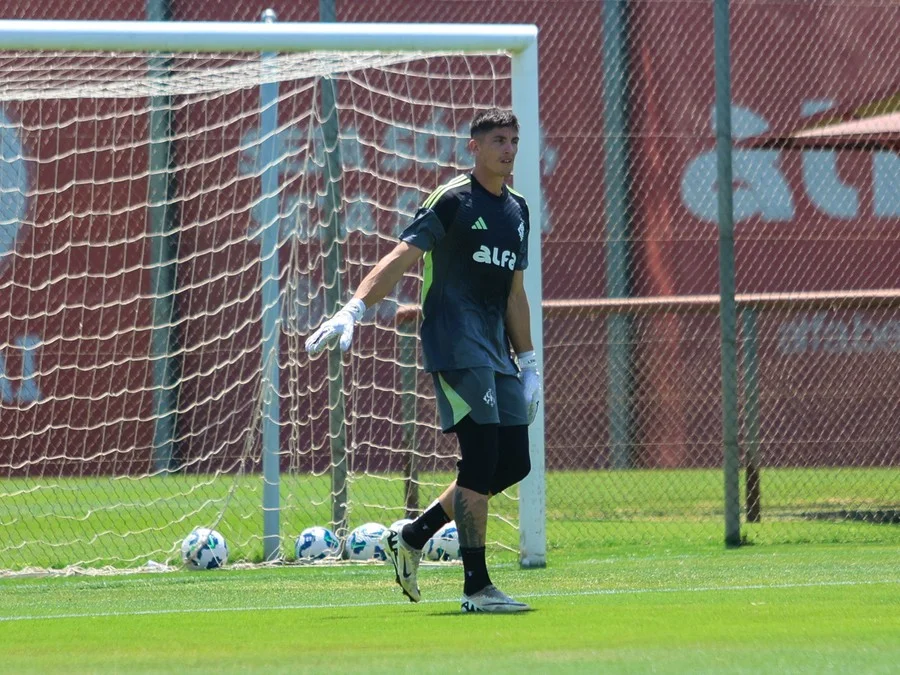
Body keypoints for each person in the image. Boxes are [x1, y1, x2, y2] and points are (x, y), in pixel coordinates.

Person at [304, 108, 541, 614]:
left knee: (513, 462)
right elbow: (400, 257)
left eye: (514, 140)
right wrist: (354, 308)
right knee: (480, 458)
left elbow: (514, 294)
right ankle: (477, 588)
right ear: (474, 147)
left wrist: (529, 363)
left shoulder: (518, 210)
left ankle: (414, 534)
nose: (508, 149)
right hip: (454, 344)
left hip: (496, 351)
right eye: (498, 140)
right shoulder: (452, 200)